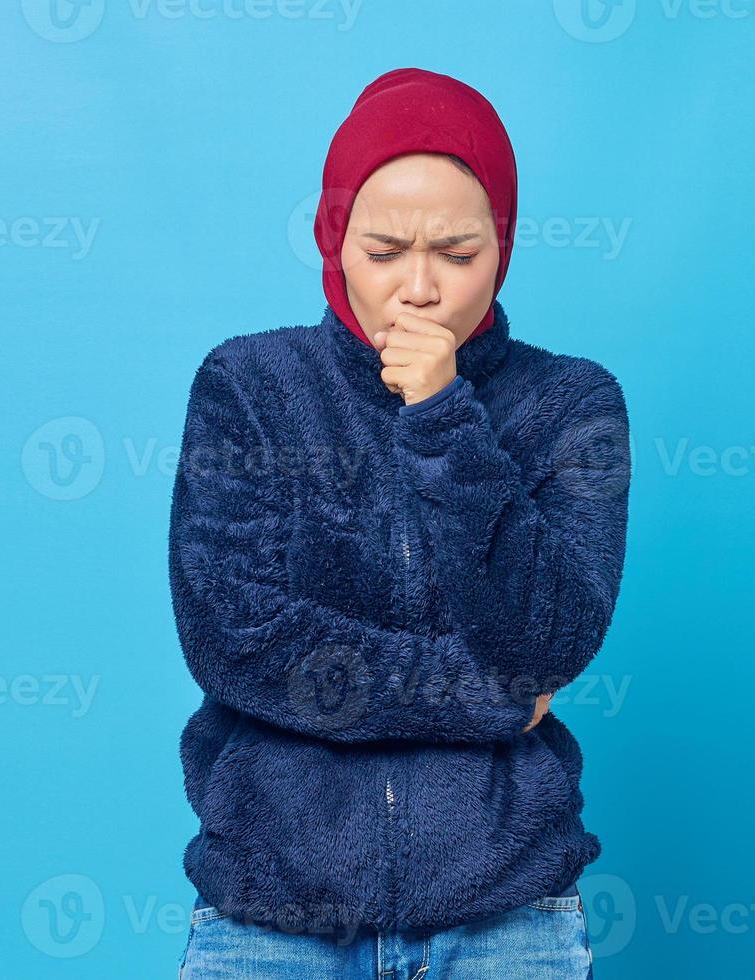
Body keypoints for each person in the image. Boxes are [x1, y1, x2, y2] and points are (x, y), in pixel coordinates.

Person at [169, 66, 631, 978]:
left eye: (456, 255)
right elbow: (238, 639)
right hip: (272, 916)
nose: (419, 289)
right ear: (333, 240)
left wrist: (445, 419)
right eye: (384, 252)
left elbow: (548, 638)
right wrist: (489, 698)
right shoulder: (249, 389)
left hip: (506, 916)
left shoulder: (572, 403)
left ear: (501, 247)